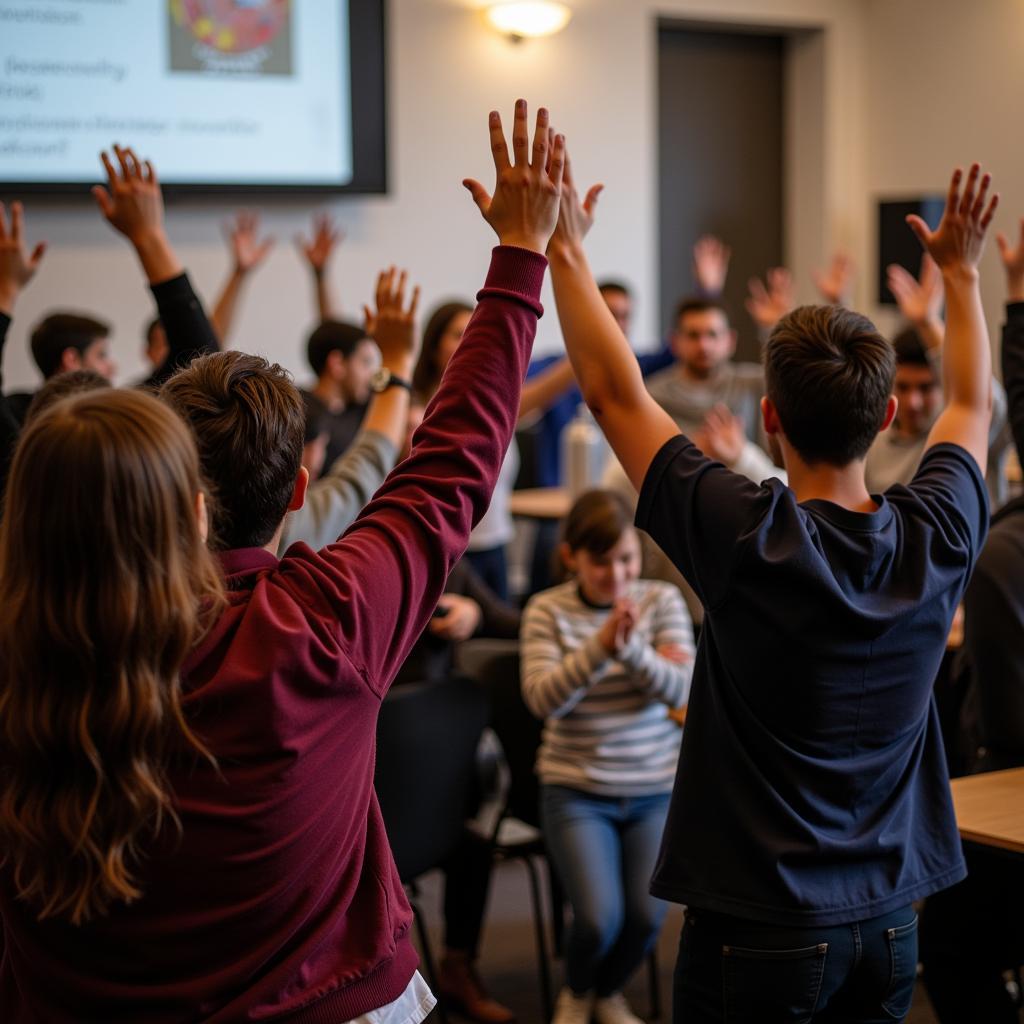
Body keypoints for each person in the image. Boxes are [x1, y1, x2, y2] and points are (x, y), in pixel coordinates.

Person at [0, 101, 565, 1023]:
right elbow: (451, 463)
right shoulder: (318, 622)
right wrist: (520, 258)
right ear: (290, 493)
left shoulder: (25, 666)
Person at [548, 147, 996, 1024]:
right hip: (893, 924)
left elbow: (609, 393)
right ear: (889, 414)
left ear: (768, 418)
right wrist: (962, 275)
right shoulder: (937, 532)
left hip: (762, 926)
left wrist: (560, 248)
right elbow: (975, 406)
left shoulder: (748, 532)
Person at [521, 489, 693, 1024]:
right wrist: (600, 650)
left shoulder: (662, 601)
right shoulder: (547, 609)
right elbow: (543, 698)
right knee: (598, 920)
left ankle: (608, 992)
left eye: (626, 559)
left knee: (645, 919)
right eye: (601, 562)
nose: (617, 575)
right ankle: (577, 989)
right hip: (576, 790)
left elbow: (683, 690)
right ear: (571, 556)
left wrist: (633, 653)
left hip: (653, 789)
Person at [918, 215, 1024, 1024]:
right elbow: (983, 406)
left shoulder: (1001, 555)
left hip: (1003, 782)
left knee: (949, 944)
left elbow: (977, 408)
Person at [412, 300, 576, 599]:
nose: (467, 343)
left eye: (473, 333)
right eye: (456, 334)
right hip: (447, 553)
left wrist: (588, 343)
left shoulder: (494, 403)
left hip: (496, 547)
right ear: (434, 346)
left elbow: (550, 386)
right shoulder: (417, 411)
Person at [867, 254, 1008, 503]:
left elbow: (989, 405)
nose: (913, 402)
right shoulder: (873, 442)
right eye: (903, 387)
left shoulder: (963, 435)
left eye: (925, 388)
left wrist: (928, 324)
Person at [141, 210, 275, 373]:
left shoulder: (200, 389)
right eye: (164, 345)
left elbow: (207, 344)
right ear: (148, 353)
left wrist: (239, 274)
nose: (178, 351)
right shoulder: (140, 395)